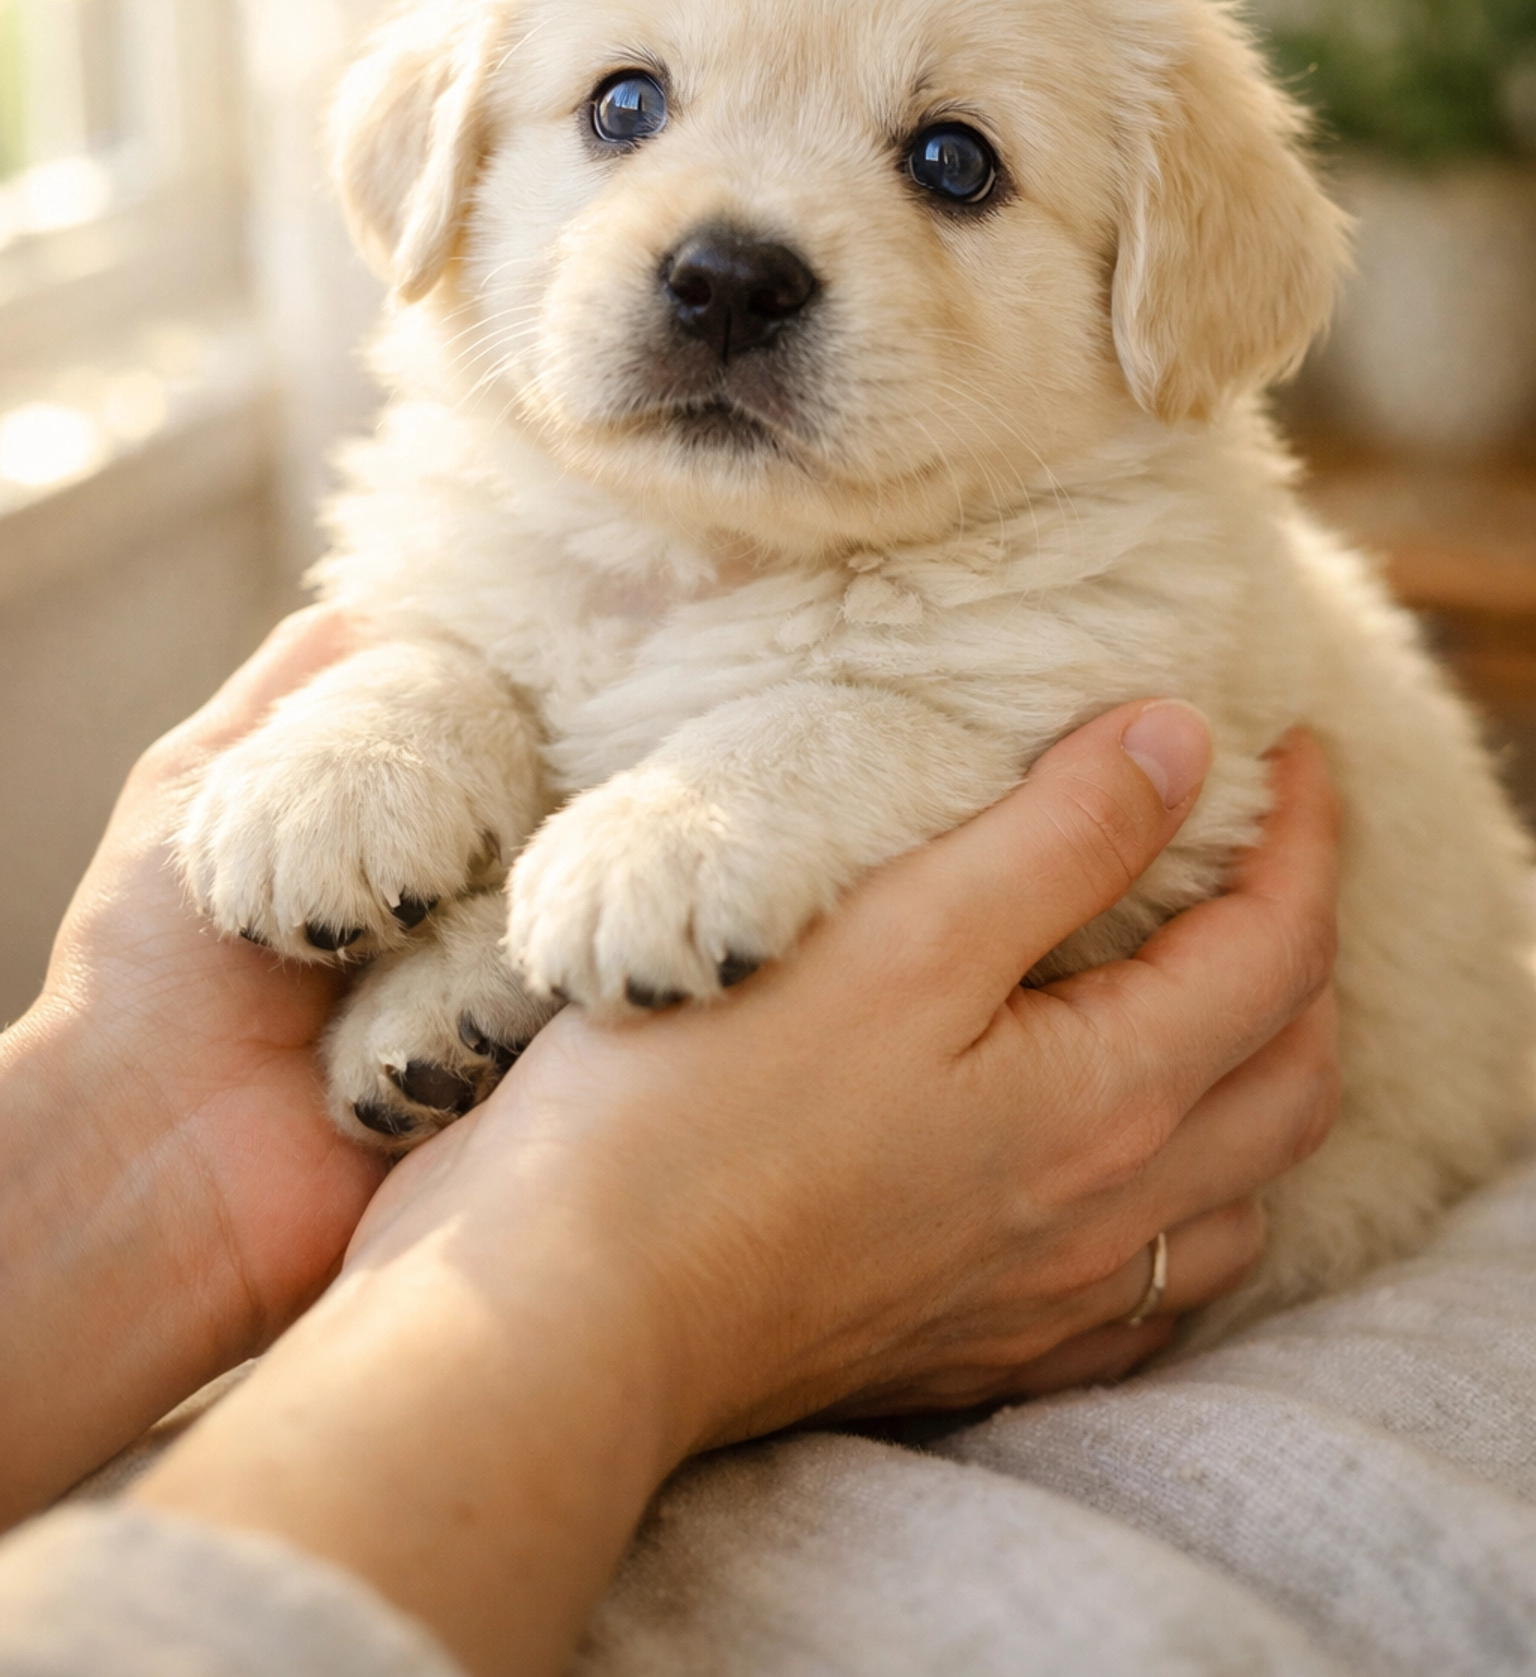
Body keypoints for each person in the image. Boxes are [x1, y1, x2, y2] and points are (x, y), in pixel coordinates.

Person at [0, 608, 1344, 1676]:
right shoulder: (477, 541)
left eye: (959, 230)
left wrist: (144, 1144)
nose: (728, 260)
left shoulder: (1100, 567)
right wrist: (640, 1262)